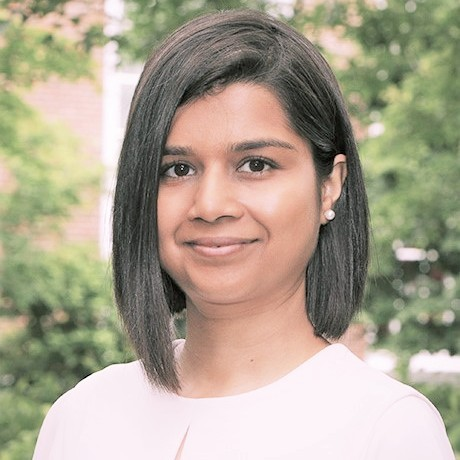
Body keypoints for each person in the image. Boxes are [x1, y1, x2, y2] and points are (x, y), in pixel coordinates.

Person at [33, 9, 455, 460]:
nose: (211, 205)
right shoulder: (82, 417)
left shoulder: (386, 430)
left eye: (256, 165)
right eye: (178, 169)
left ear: (329, 186)